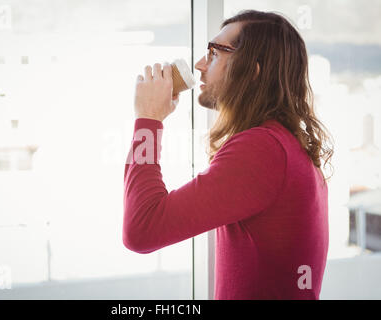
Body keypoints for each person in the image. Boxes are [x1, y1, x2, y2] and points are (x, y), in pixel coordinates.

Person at [123, 9, 334, 300]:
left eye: (214, 54)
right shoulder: (284, 145)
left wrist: (148, 120)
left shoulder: (262, 150)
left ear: (252, 71)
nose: (199, 65)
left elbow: (142, 230)